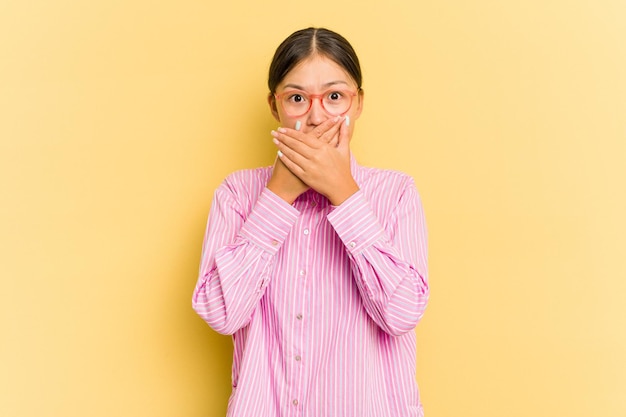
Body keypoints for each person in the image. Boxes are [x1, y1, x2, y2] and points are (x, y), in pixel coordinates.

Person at [192, 27, 429, 417]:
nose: (317, 116)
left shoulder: (396, 193)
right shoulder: (237, 194)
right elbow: (221, 313)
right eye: (298, 98)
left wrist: (346, 196)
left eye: (334, 96)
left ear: (358, 103)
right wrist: (277, 195)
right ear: (275, 106)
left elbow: (401, 313)